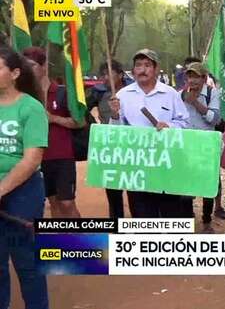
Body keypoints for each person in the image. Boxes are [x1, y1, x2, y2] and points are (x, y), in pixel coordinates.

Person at [109, 48, 189, 218]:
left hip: (166, 165)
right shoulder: (122, 96)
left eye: (147, 65)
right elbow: (115, 133)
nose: (142, 70)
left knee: (171, 216)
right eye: (138, 65)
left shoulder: (170, 94)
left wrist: (169, 126)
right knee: (143, 218)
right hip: (136, 169)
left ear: (156, 68)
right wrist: (115, 116)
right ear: (133, 70)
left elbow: (184, 123)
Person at [0, 46, 49, 309]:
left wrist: (1, 190)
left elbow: (31, 159)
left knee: (28, 265)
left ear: (15, 73)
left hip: (22, 194)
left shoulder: (31, 108)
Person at [23, 47, 82, 218]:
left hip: (63, 157)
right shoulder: (26, 97)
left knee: (67, 203)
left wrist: (53, 118)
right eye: (25, 66)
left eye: (32, 65)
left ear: (43, 67)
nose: (29, 70)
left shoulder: (62, 92)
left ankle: (79, 241)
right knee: (53, 202)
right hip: (38, 158)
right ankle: (62, 241)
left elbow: (80, 122)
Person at [179, 62, 222, 233]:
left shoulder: (212, 93)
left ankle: (206, 221)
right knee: (187, 183)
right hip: (187, 146)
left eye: (196, 76)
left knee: (207, 185)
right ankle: (188, 217)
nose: (192, 80)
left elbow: (214, 119)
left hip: (206, 146)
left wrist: (196, 103)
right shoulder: (179, 95)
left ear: (204, 78)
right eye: (189, 76)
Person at [86, 60, 128, 218]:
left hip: (133, 147)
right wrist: (95, 127)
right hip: (109, 146)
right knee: (112, 188)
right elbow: (82, 109)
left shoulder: (132, 91)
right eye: (103, 75)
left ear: (121, 75)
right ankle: (116, 223)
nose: (105, 78)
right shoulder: (98, 92)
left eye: (109, 74)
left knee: (135, 190)